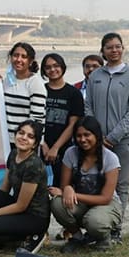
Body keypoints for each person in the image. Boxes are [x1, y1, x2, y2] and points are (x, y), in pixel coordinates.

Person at [84, 32, 129, 240]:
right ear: (103, 51)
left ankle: (115, 229)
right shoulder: (96, 76)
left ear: (123, 48)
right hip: (97, 142)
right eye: (109, 47)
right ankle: (96, 227)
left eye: (117, 46)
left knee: (121, 185)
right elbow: (88, 106)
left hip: (124, 141)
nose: (114, 50)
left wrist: (113, 137)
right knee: (96, 182)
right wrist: (97, 136)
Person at [0, 120, 50, 252]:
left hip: (33, 217)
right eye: (21, 133)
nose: (24, 137)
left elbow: (21, 206)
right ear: (15, 135)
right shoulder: (13, 154)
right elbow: (4, 189)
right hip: (18, 208)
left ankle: (29, 236)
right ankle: (4, 237)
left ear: (35, 144)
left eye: (30, 136)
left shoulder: (33, 165)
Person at [51, 116, 123, 252]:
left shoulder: (110, 158)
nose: (82, 139)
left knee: (94, 221)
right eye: (78, 136)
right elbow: (63, 187)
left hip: (106, 204)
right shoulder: (70, 153)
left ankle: (103, 238)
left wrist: (73, 194)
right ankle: (78, 238)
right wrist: (66, 189)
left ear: (97, 135)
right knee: (57, 203)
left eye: (87, 135)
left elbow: (105, 198)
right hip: (82, 203)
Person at [41, 52, 84, 182]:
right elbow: (34, 120)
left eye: (56, 66)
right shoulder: (40, 90)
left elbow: (73, 124)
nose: (52, 70)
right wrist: (43, 144)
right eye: (48, 67)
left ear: (63, 67)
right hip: (40, 146)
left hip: (64, 148)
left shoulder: (74, 93)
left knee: (61, 184)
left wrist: (55, 147)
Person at [2, 42, 46, 142]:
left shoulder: (35, 83)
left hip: (25, 142)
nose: (19, 60)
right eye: (15, 55)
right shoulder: (7, 80)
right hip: (6, 140)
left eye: (24, 57)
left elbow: (36, 119)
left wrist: (23, 139)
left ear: (30, 61)